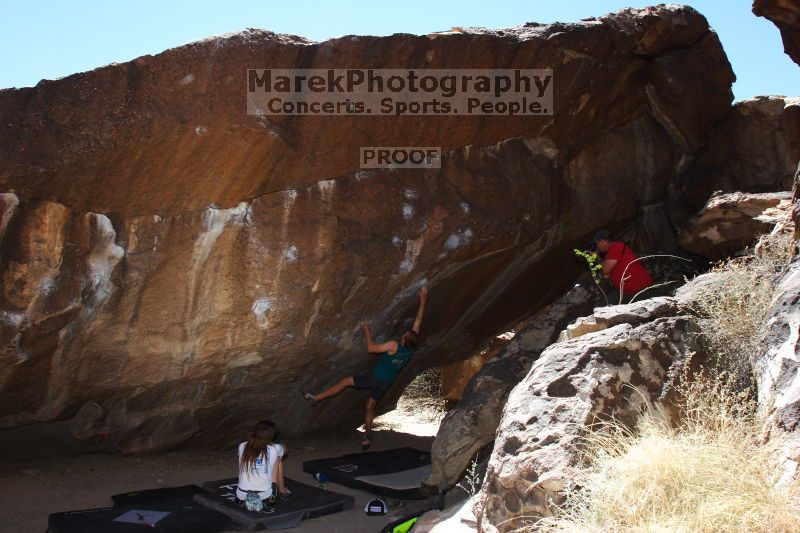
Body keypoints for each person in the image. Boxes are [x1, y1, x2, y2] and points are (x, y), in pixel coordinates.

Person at [304, 286, 428, 450]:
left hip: (374, 377)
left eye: (405, 334)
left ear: (405, 340)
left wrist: (366, 331)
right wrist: (423, 300)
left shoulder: (393, 345)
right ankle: (368, 435)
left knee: (345, 382)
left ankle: (316, 398)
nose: (405, 332)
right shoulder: (412, 347)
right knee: (370, 405)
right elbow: (418, 322)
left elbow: (371, 349)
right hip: (386, 382)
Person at [591, 229, 654, 304]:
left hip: (639, 288)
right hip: (626, 291)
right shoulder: (610, 254)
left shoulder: (616, 246)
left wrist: (597, 258)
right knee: (605, 306)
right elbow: (606, 275)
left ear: (602, 242)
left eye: (596, 244)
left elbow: (605, 270)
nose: (597, 247)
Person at [236, 420, 288, 509]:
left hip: (241, 497)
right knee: (278, 460)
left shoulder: (242, 446)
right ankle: (282, 490)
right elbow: (285, 449)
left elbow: (241, 470)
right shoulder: (275, 448)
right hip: (265, 498)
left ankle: (248, 497)